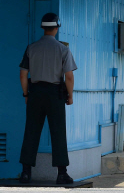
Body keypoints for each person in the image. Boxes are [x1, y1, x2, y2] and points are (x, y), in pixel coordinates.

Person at [18, 13, 77, 184]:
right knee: (58, 131)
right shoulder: (63, 49)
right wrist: (70, 95)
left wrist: (26, 94)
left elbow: (23, 74)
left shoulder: (31, 48)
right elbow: (69, 77)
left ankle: (26, 172)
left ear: (43, 28)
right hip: (55, 94)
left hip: (35, 92)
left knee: (31, 131)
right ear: (57, 28)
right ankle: (61, 173)